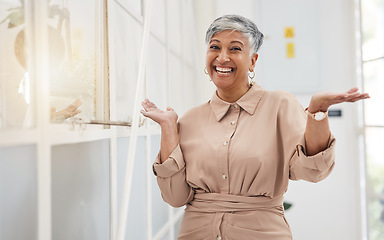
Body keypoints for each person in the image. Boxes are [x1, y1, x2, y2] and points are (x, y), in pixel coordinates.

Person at [141, 15, 369, 240]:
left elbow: (313, 171)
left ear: (252, 60)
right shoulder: (190, 120)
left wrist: (317, 112)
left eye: (234, 49)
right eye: (215, 47)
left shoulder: (281, 105)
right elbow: (175, 197)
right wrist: (168, 127)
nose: (222, 57)